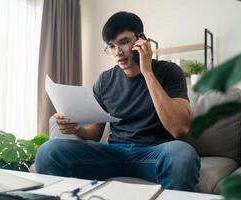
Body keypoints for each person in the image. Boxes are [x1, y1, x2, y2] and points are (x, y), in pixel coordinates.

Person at [35, 11, 200, 192]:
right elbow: (95, 134)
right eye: (111, 46)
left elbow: (179, 128)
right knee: (49, 151)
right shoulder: (105, 81)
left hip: (153, 154)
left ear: (141, 40)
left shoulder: (169, 72)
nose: (118, 52)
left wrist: (147, 72)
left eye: (123, 42)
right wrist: (77, 129)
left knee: (182, 154)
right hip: (114, 154)